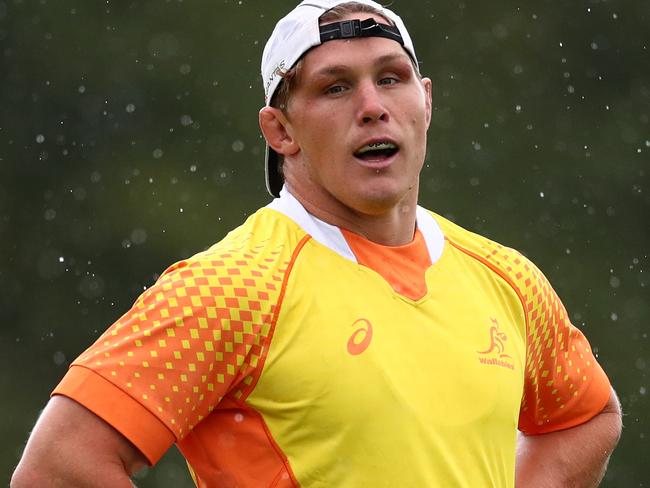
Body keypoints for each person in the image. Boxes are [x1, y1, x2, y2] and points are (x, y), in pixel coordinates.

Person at [11, 1, 622, 487]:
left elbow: (584, 417)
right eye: (335, 87)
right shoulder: (232, 287)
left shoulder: (504, 276)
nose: (373, 107)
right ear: (280, 130)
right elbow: (59, 468)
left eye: (391, 78)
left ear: (426, 101)